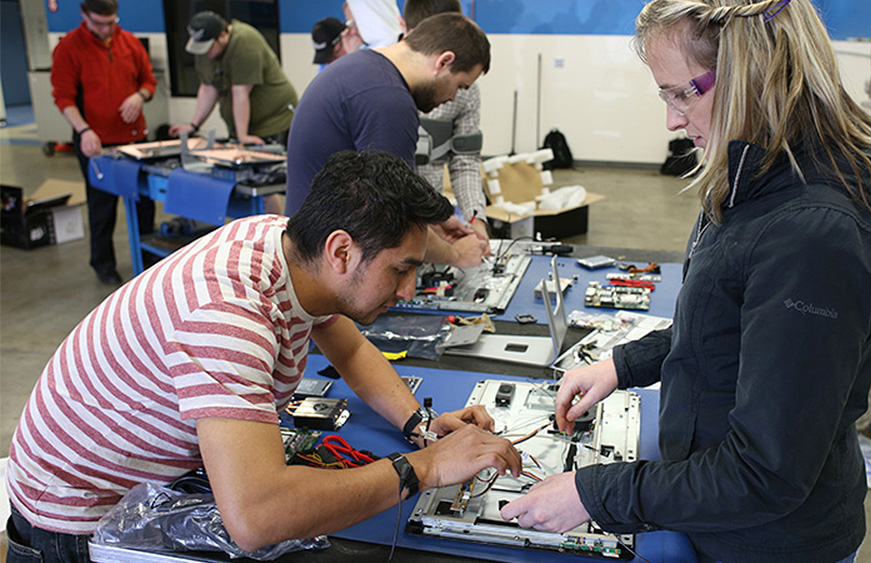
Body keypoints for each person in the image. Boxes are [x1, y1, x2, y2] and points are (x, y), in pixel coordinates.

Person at [499, 1, 871, 562]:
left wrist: (594, 492)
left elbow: (764, 473)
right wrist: (621, 365)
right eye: (665, 96)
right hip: (720, 515)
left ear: (757, 76)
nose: (672, 121)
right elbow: (722, 326)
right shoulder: (754, 172)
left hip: (768, 542)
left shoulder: (814, 236)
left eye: (683, 94)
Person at [5, 150, 522, 562]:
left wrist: (421, 426)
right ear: (341, 251)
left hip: (132, 481)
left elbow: (348, 347)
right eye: (400, 270)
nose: (410, 290)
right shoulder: (227, 315)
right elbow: (257, 518)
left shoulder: (284, 246)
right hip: (72, 526)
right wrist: (425, 469)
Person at [285, 12, 491, 267]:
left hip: (310, 247)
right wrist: (456, 255)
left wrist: (436, 219)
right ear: (444, 62)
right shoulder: (390, 102)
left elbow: (397, 197)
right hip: (325, 262)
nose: (452, 98)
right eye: (460, 86)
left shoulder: (363, 67)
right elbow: (394, 218)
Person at [51, 0, 156, 285]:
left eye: (111, 22)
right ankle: (103, 264)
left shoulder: (130, 43)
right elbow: (63, 97)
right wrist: (84, 130)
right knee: (101, 207)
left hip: (133, 139)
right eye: (99, 23)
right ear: (84, 15)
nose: (106, 29)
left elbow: (149, 82)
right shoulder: (69, 47)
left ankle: (149, 258)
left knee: (144, 203)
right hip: (95, 142)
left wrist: (139, 96)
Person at [404, 0, 490, 247]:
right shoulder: (380, 82)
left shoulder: (465, 90)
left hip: (435, 222)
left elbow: (465, 160)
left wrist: (475, 219)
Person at [168, 11, 297, 147]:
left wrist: (242, 136)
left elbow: (240, 91)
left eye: (209, 47)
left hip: (274, 121)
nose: (205, 53)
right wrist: (194, 125)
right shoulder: (205, 49)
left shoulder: (244, 40)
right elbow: (208, 88)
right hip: (244, 126)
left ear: (222, 36)